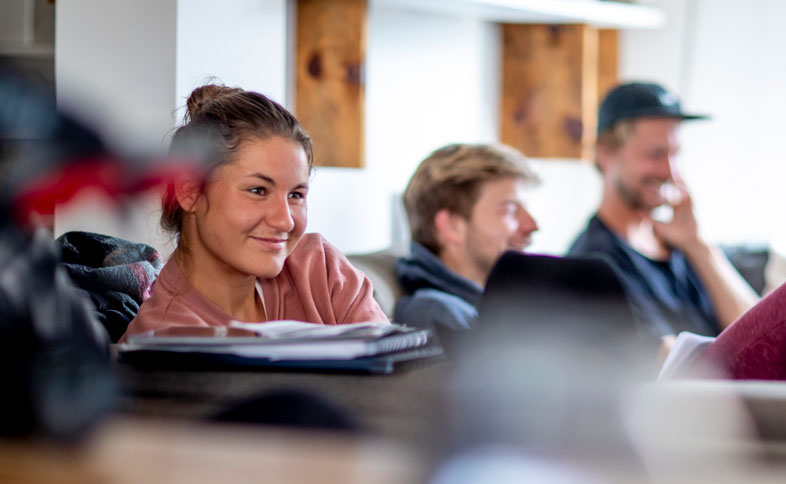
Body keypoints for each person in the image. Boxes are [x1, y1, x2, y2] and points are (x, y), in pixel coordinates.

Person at [568, 81, 786, 384]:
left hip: (744, 391)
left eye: (675, 153)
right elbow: (666, 365)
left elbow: (764, 337)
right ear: (605, 152)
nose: (670, 172)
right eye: (656, 154)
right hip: (700, 405)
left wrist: (699, 247)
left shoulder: (679, 244)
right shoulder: (592, 263)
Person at [121, 84, 386, 340]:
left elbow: (403, 373)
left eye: (296, 195)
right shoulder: (163, 340)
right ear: (190, 192)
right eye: (258, 190)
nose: (285, 221)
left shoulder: (320, 270)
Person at [394, 143, 539, 331]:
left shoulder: (501, 304)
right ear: (451, 226)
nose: (532, 226)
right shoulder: (434, 314)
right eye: (510, 210)